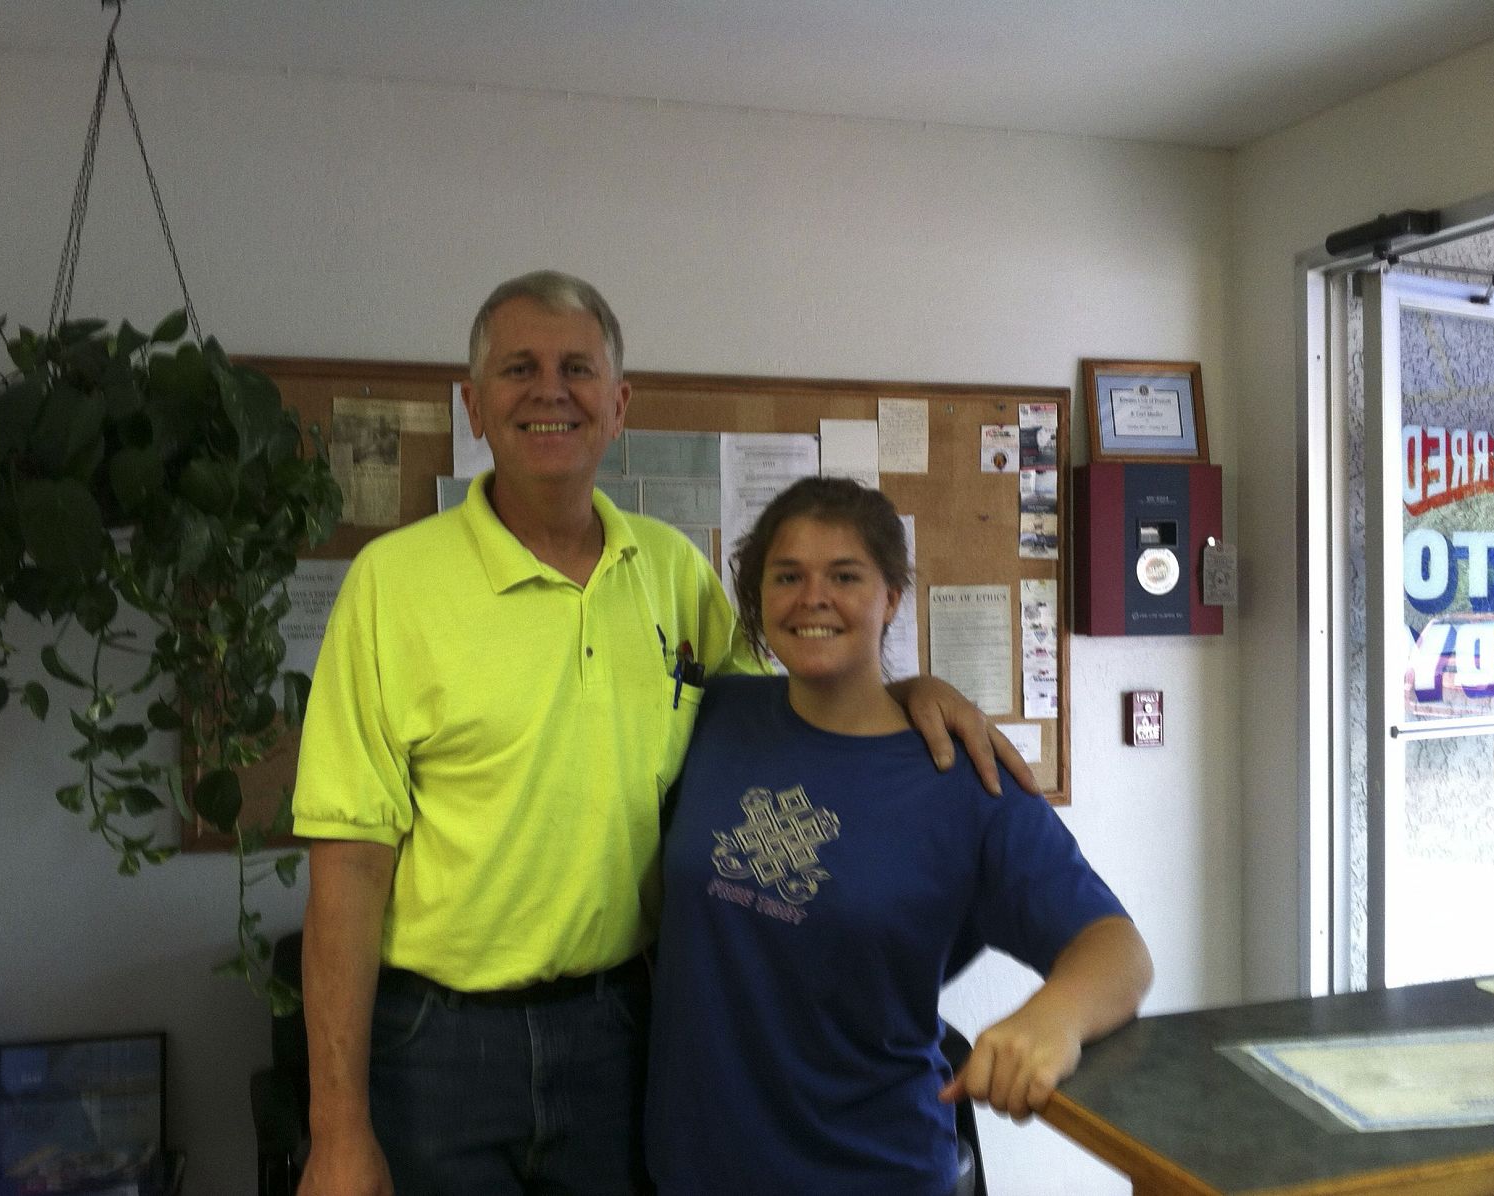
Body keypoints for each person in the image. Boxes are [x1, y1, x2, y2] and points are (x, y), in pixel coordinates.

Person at [290, 271, 1035, 1196]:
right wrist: (337, 1132)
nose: (549, 390)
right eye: (519, 369)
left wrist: (909, 683)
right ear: (477, 406)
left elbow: (789, 719)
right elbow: (348, 868)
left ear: (618, 403)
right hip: (439, 1050)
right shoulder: (390, 585)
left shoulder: (672, 572)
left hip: (625, 1031)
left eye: (577, 368)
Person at [645, 476, 1154, 1195]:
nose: (812, 597)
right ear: (757, 598)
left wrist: (1055, 1019)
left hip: (872, 1170)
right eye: (787, 576)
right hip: (694, 1172)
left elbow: (1117, 950)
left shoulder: (964, 777)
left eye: (844, 576)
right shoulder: (714, 716)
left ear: (890, 597)